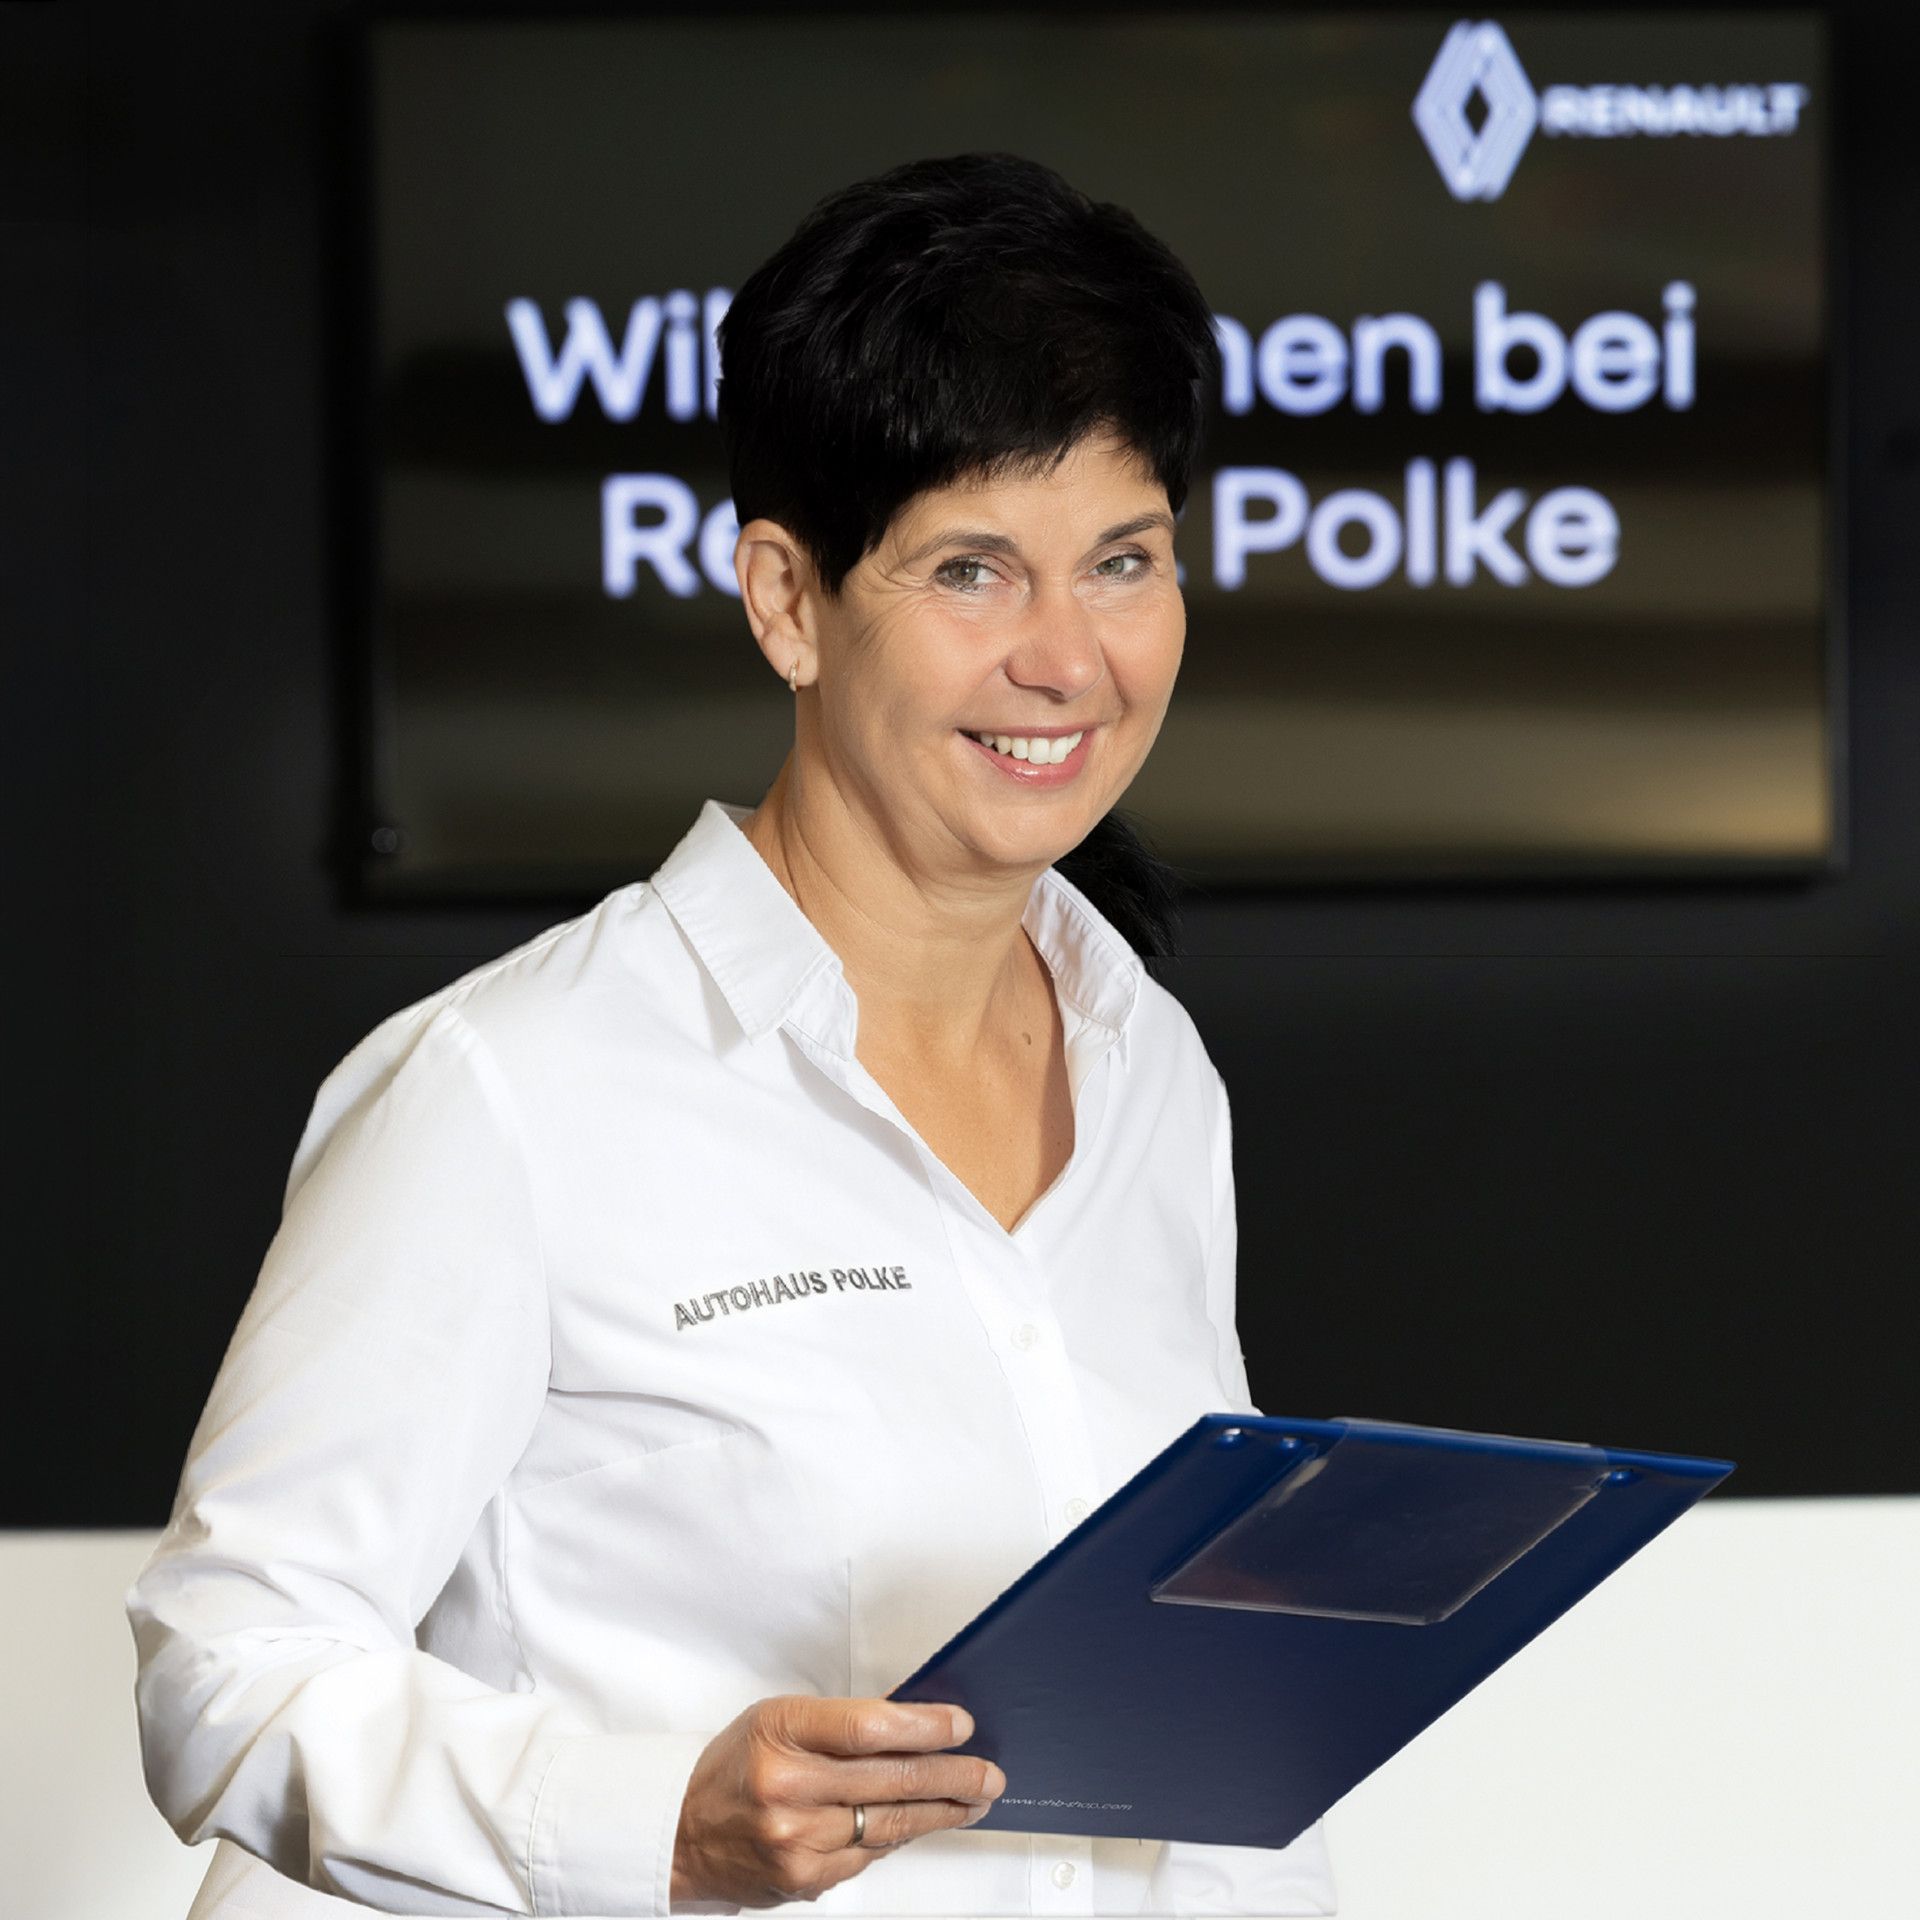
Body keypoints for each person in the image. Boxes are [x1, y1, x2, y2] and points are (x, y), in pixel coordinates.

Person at [127, 151, 1338, 1919]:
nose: (1069, 658)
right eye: (974, 570)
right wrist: (657, 1823)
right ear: (785, 599)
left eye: (1124, 561)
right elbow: (224, 1673)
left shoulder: (1149, 1067)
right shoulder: (508, 1091)